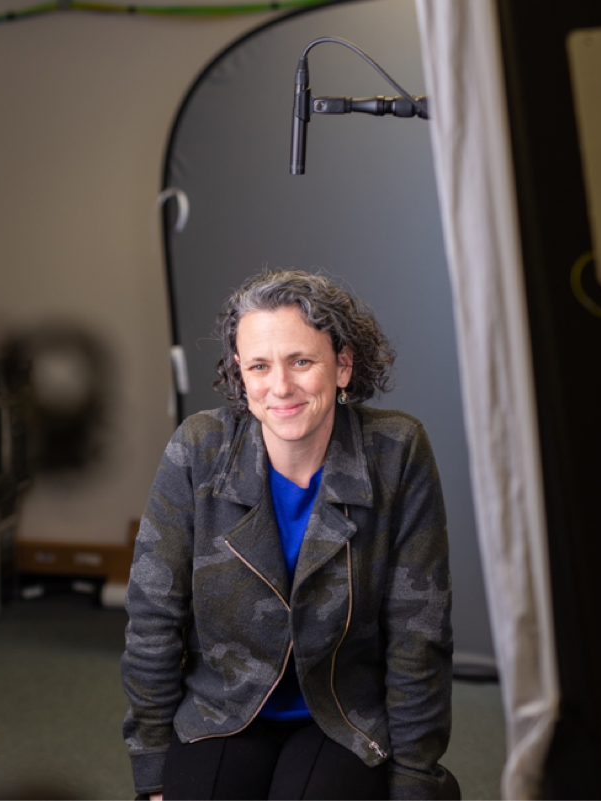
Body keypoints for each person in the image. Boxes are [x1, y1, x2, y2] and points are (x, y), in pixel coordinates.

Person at [121, 270, 458, 801]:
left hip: (343, 717)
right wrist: (152, 772)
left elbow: (420, 637)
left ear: (342, 365)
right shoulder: (198, 449)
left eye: (301, 361)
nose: (280, 386)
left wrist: (414, 781)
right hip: (223, 710)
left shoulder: (397, 450)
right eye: (259, 366)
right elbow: (152, 619)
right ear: (241, 373)